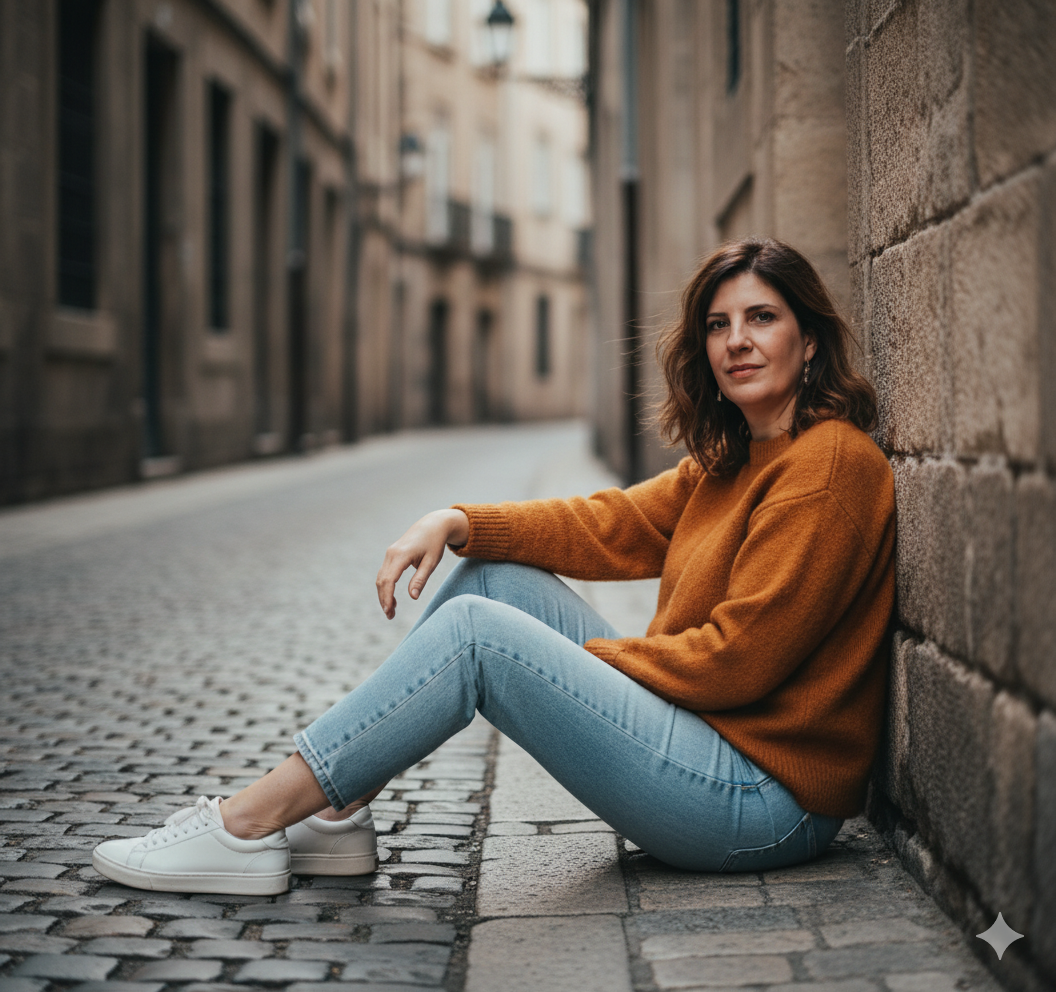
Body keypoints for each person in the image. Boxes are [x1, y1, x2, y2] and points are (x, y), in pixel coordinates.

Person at [92, 238, 895, 894]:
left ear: (810, 338)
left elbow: (737, 661)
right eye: (719, 325)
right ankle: (336, 817)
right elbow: (609, 524)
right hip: (707, 750)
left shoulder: (827, 467)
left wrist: (564, 667)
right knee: (496, 585)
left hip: (762, 801)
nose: (737, 342)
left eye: (762, 318)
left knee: (483, 634)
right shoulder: (731, 459)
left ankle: (245, 825)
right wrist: (460, 522)